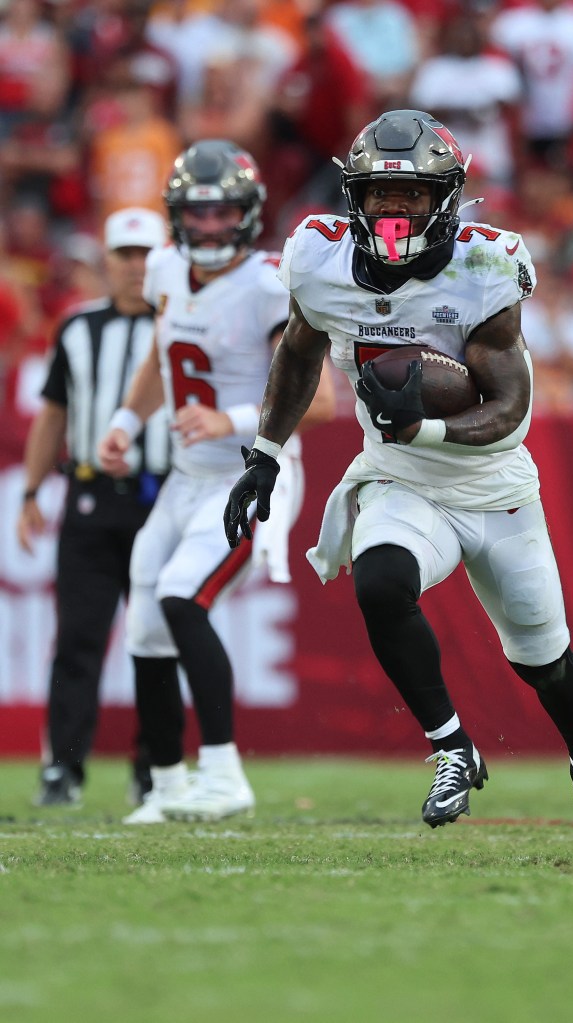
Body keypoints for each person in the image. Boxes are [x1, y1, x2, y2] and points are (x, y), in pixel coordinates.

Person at [224, 109, 573, 862]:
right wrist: (264, 454)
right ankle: (453, 746)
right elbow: (298, 352)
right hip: (402, 475)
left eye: (412, 196)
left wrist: (428, 426)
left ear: (446, 198)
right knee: (380, 581)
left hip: (492, 480)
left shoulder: (484, 267)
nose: (394, 210)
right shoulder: (319, 259)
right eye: (381, 193)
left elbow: (509, 410)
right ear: (355, 195)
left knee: (545, 665)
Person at [98, 138, 335, 824]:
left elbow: (318, 402)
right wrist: (123, 419)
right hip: (186, 475)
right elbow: (164, 356)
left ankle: (225, 772)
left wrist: (228, 415)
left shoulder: (267, 284)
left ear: (248, 213)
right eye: (195, 214)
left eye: (221, 212)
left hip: (252, 476)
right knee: (145, 619)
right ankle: (168, 784)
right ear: (177, 217)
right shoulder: (166, 268)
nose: (206, 228)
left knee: (179, 595)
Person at [17, 206, 170, 807]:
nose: (135, 267)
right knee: (79, 639)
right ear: (106, 261)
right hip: (87, 499)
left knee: (157, 638)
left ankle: (154, 767)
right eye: (125, 255)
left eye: (145, 255)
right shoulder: (77, 329)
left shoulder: (183, 324)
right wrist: (31, 490)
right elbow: (53, 412)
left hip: (162, 495)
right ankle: (64, 767)